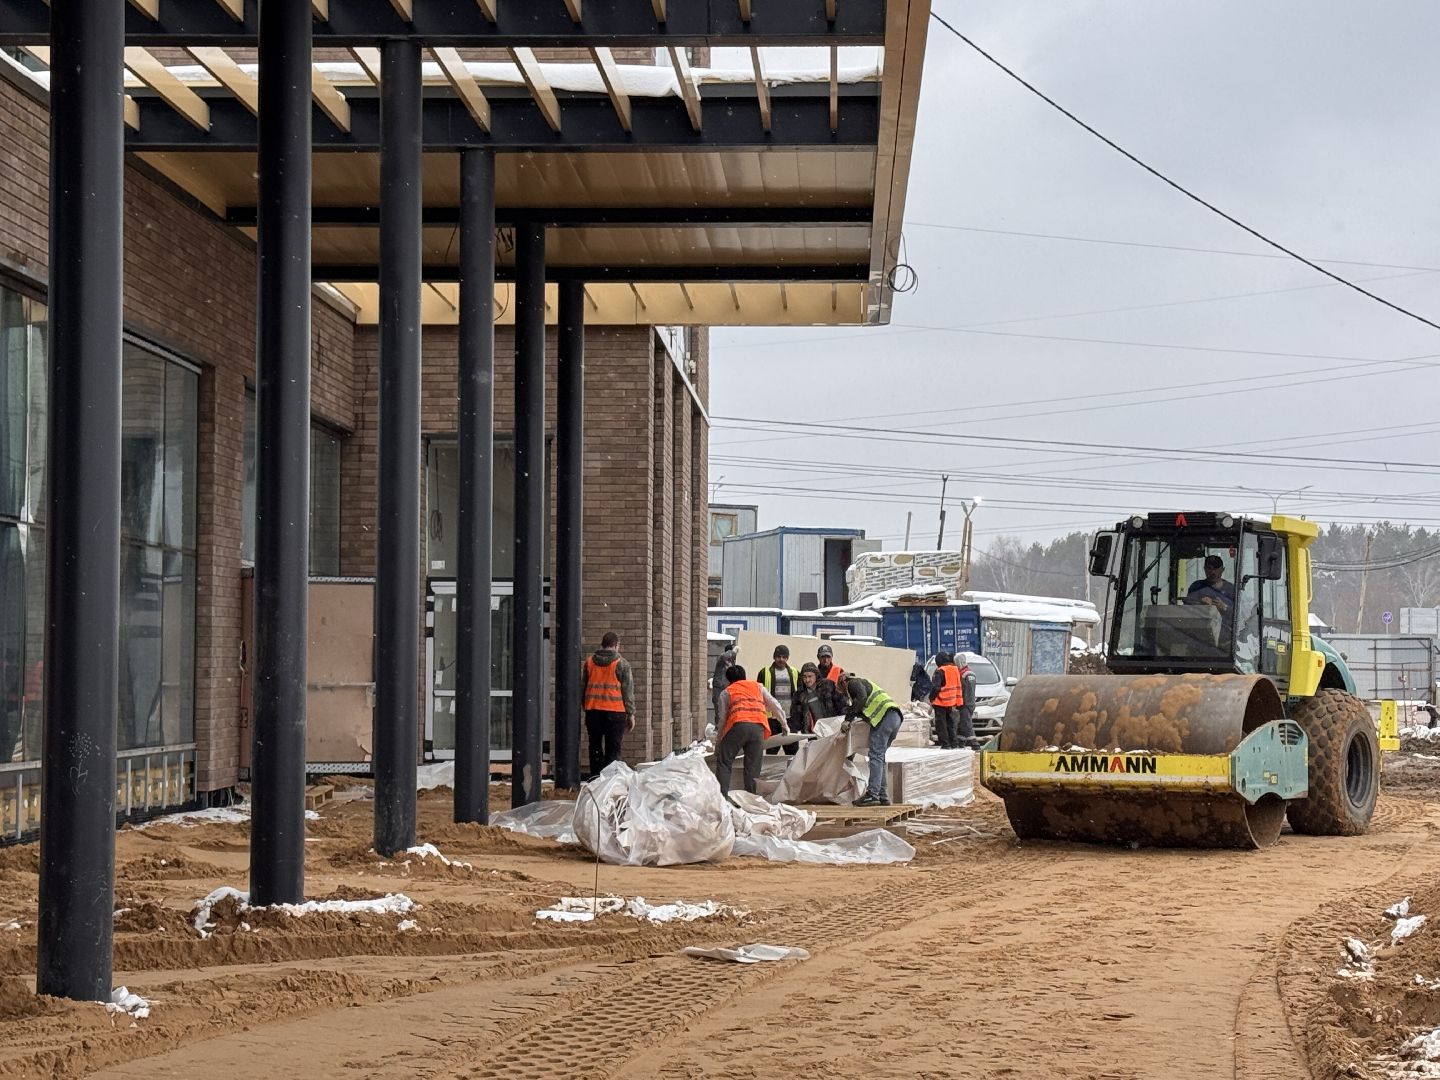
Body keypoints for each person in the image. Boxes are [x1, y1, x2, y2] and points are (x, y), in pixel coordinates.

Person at [713, 665, 787, 796]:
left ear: (728, 680)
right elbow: (774, 704)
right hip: (758, 727)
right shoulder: (758, 687)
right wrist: (784, 724)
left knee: (724, 761)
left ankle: (722, 797)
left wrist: (718, 745)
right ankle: (751, 798)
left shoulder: (727, 692)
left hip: (737, 726)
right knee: (753, 766)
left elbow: (722, 721)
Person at [580, 631, 635, 781]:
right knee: (613, 749)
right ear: (616, 645)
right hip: (616, 713)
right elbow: (627, 692)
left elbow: (582, 688)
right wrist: (630, 714)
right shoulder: (622, 664)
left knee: (595, 747)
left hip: (593, 712)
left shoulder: (589, 663)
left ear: (602, 645)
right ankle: (610, 782)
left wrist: (586, 708)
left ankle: (595, 779)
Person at [842, 673, 903, 807]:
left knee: (875, 755)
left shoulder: (853, 683)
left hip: (885, 717)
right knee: (879, 757)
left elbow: (861, 699)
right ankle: (882, 795)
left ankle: (873, 794)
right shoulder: (868, 684)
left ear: (843, 682)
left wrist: (848, 719)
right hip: (895, 718)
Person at [788, 661, 847, 754]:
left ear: (816, 675)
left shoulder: (829, 686)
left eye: (810, 676)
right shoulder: (799, 695)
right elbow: (795, 717)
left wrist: (844, 722)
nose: (807, 680)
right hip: (813, 734)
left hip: (831, 730)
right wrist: (790, 732)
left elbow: (842, 705)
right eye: (804, 677)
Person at [1186, 554, 1238, 644]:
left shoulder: (1232, 590)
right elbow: (1185, 609)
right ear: (1204, 569)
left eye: (1216, 569)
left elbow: (1241, 616)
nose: (1213, 572)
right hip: (1198, 639)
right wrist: (1199, 604)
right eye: (1209, 568)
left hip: (1226, 642)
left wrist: (1224, 607)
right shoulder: (1196, 587)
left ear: (1223, 569)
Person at [929, 652, 964, 749]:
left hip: (940, 702)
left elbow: (936, 687)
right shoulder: (955, 669)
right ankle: (954, 743)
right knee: (950, 723)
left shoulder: (940, 671)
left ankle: (945, 744)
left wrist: (931, 698)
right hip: (951, 702)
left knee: (941, 725)